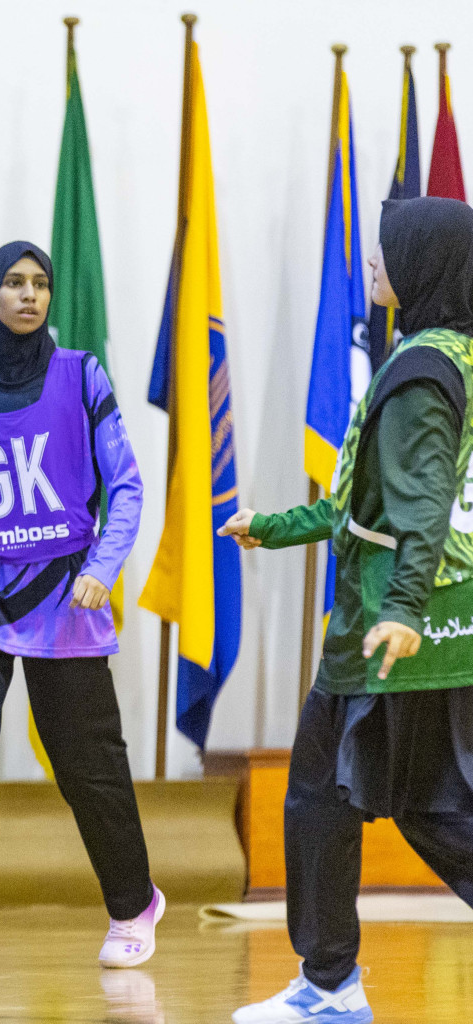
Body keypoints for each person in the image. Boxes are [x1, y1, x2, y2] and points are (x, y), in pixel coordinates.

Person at [226, 197, 473, 1024]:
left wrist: (399, 608)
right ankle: (328, 981)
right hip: (444, 625)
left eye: (386, 250)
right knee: (421, 805)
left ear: (423, 263)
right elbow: (365, 503)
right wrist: (279, 525)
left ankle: (329, 986)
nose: (374, 264)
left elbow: (421, 504)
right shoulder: (457, 356)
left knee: (330, 795)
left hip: (391, 629)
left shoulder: (416, 374)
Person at [0, 241, 160, 976]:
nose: (29, 295)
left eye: (40, 283)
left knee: (89, 767)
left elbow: (127, 485)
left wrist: (103, 567)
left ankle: (132, 904)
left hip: (66, 595)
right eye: (14, 283)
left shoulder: (81, 374)